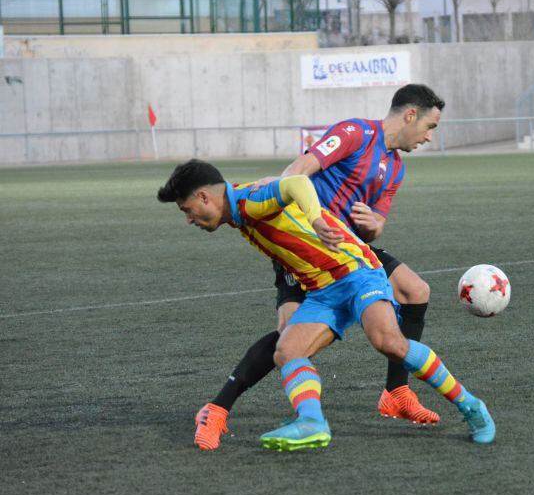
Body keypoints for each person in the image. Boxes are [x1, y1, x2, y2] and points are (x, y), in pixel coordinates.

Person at [156, 159, 496, 451]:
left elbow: (297, 183)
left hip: (357, 273)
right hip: (323, 290)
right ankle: (311, 423)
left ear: (203, 197)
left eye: (187, 210)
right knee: (287, 351)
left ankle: (470, 405)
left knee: (388, 342)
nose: (189, 219)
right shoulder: (239, 212)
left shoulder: (248, 200)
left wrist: (316, 218)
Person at [194, 84, 446, 451]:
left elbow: (376, 220)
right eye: (431, 126)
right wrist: (278, 190)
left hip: (348, 252)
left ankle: (397, 392)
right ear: (410, 115)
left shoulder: (395, 169)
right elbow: (301, 169)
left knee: (415, 289)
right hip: (305, 246)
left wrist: (375, 223)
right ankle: (218, 408)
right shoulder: (355, 133)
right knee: (288, 340)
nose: (429, 137)